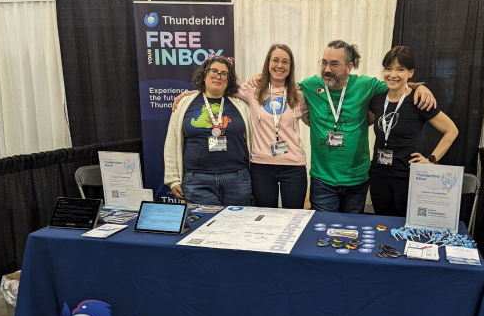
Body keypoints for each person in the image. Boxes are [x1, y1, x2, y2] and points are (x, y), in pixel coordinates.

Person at [251, 40, 436, 214]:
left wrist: (419, 86)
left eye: (334, 64)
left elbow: (395, 84)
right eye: (324, 63)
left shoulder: (366, 85)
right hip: (323, 179)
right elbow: (283, 86)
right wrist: (262, 76)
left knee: (350, 234)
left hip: (357, 180)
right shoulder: (310, 86)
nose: (327, 69)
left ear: (349, 66)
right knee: (322, 234)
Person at [173, 45, 309, 209]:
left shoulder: (299, 96)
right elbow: (217, 88)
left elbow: (313, 119)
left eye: (285, 62)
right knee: (264, 217)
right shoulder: (252, 91)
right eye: (275, 60)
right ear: (267, 63)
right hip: (262, 165)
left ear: (291, 67)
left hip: (293, 165)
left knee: (294, 215)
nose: (280, 65)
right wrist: (189, 94)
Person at [368, 46, 458, 217]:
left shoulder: (419, 100)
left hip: (407, 178)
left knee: (405, 227)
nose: (392, 74)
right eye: (388, 68)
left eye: (400, 69)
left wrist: (432, 160)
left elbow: (451, 130)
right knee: (383, 225)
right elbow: (365, 122)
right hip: (379, 176)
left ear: (410, 72)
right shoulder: (377, 100)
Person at [164, 55, 252, 206]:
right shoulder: (184, 104)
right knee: (203, 228)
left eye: (224, 74)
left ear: (228, 80)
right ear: (204, 75)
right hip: (197, 181)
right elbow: (171, 142)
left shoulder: (242, 105)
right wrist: (172, 179)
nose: (218, 76)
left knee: (237, 227)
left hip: (237, 179)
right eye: (214, 71)